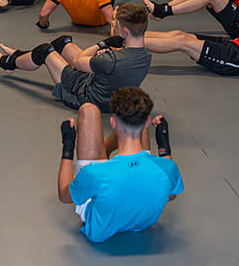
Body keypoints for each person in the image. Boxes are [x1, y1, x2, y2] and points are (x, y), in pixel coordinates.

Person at [57, 87, 183, 242]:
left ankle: (105, 155)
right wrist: (164, 145)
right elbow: (171, 194)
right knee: (134, 120)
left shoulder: (93, 174)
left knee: (88, 111)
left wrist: (67, 146)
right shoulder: (167, 167)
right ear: (148, 122)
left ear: (113, 123)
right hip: (142, 223)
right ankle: (106, 152)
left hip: (101, 226)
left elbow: (65, 196)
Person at [0, 3, 151, 111]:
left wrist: (102, 44)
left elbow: (78, 61)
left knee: (44, 50)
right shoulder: (146, 55)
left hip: (85, 97)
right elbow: (115, 68)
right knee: (63, 42)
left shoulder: (111, 60)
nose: (113, 25)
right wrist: (106, 56)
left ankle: (8, 63)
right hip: (108, 94)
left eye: (115, 23)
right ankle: (22, 56)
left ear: (125, 31)